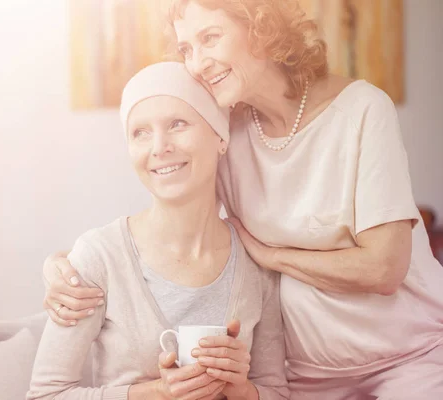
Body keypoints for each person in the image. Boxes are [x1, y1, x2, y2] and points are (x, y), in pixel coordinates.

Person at [42, 0, 443, 398]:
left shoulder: (362, 110)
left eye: (210, 38)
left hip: (407, 356)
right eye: (186, 49)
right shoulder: (227, 131)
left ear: (261, 27)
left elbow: (385, 268)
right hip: (306, 373)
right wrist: (65, 267)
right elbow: (171, 229)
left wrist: (274, 258)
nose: (197, 63)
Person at [27, 62, 288, 400]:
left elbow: (277, 393)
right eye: (140, 132)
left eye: (177, 124)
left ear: (220, 137)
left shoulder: (256, 261)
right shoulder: (100, 257)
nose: (158, 146)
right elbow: (45, 394)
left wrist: (240, 388)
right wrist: (155, 393)